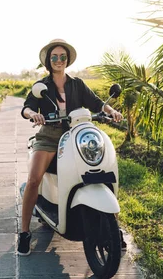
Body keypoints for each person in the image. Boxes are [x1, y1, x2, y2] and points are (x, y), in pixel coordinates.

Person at [18, 39, 123, 256]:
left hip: (76, 134)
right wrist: (34, 114)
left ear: (67, 60)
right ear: (49, 61)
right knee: (34, 179)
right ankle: (25, 232)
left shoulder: (77, 84)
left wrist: (111, 111)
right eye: (54, 57)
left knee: (99, 172)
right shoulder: (42, 86)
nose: (58, 60)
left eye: (62, 57)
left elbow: (97, 103)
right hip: (49, 136)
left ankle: (112, 227)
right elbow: (27, 108)